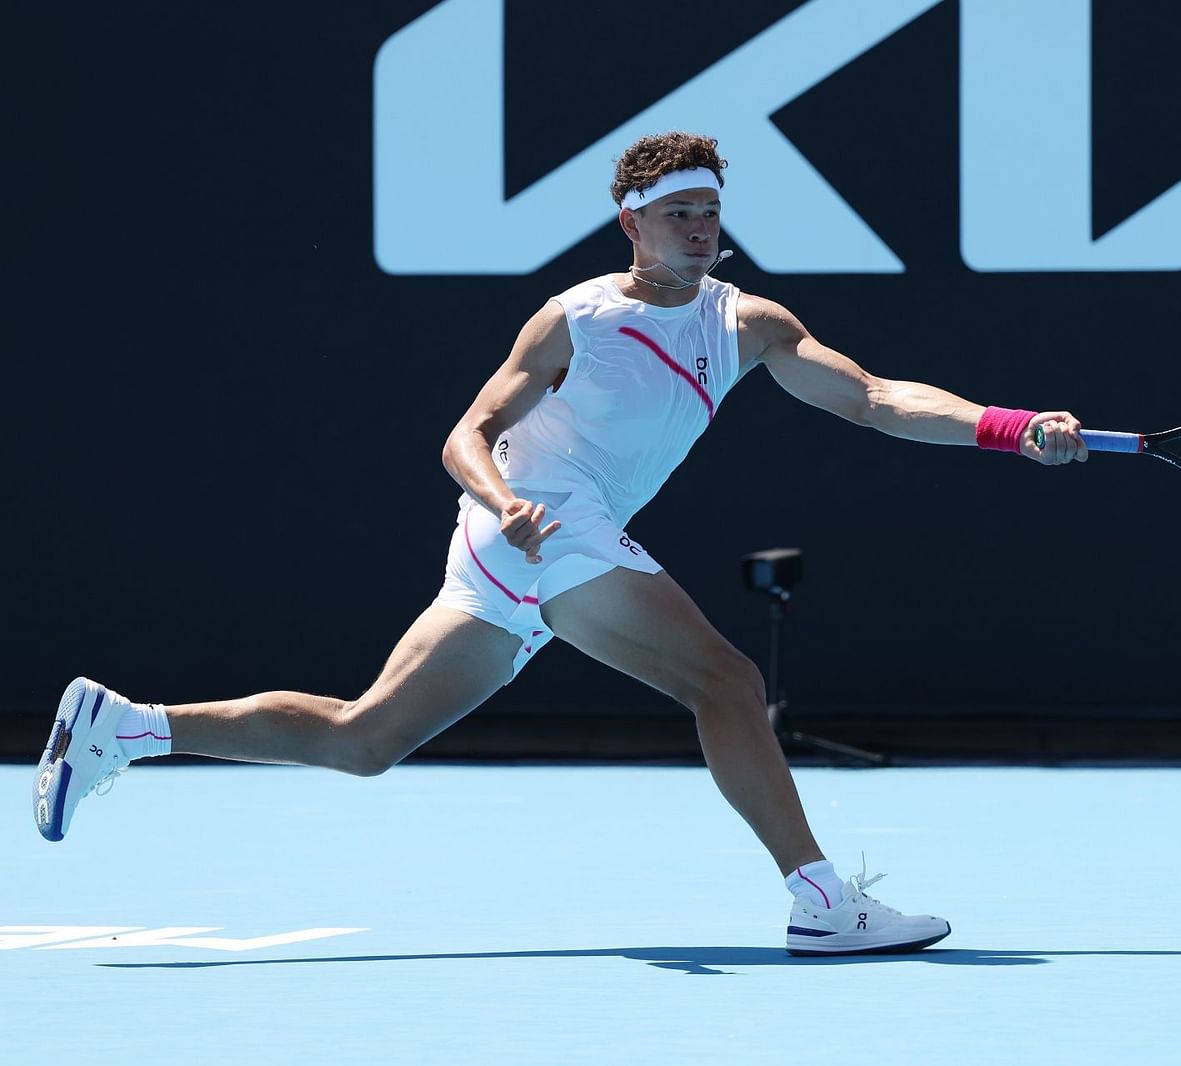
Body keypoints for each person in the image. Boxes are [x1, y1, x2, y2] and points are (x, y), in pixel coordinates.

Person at [33, 131, 1086, 956]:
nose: (699, 230)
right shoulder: (574, 320)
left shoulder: (746, 323)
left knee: (366, 739)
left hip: (529, 545)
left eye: (710, 213)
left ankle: (124, 727)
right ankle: (819, 897)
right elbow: (466, 434)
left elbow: (872, 397)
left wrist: (1006, 426)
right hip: (537, 518)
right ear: (631, 222)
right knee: (722, 681)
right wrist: (508, 502)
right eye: (678, 213)